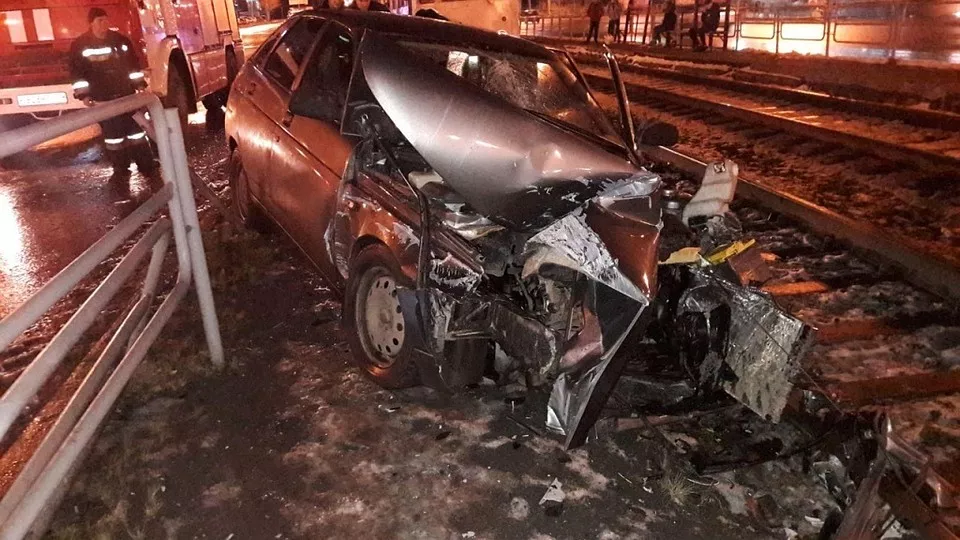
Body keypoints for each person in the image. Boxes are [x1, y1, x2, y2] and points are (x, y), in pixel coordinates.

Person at [69, 7, 158, 183]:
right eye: (100, 21)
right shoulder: (80, 45)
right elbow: (77, 73)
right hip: (103, 100)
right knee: (113, 137)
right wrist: (84, 95)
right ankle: (121, 168)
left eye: (106, 20)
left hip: (125, 96)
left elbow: (132, 65)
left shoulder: (120, 41)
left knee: (136, 133)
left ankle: (146, 164)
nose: (104, 24)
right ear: (91, 23)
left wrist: (139, 84)